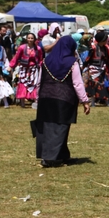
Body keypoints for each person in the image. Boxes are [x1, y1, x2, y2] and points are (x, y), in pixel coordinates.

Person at [32, 34, 90, 167]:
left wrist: (37, 98)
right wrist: (85, 101)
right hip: (64, 99)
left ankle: (62, 155)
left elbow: (39, 82)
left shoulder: (46, 61)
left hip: (46, 98)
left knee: (48, 127)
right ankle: (50, 159)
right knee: (60, 128)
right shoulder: (72, 62)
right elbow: (77, 84)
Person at [10, 33, 43, 108]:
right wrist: (11, 66)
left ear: (34, 39)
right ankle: (22, 102)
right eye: (29, 38)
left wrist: (40, 65)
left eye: (32, 38)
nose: (30, 40)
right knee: (22, 83)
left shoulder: (38, 49)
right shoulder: (22, 47)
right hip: (24, 68)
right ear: (26, 39)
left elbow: (40, 58)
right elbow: (16, 57)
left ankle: (35, 102)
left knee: (35, 84)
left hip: (34, 69)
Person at [85, 31, 109, 106]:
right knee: (93, 86)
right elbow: (88, 59)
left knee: (105, 85)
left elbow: (108, 58)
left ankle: (107, 102)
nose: (106, 41)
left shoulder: (105, 48)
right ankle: (92, 102)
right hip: (93, 69)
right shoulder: (93, 48)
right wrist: (86, 68)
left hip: (102, 69)